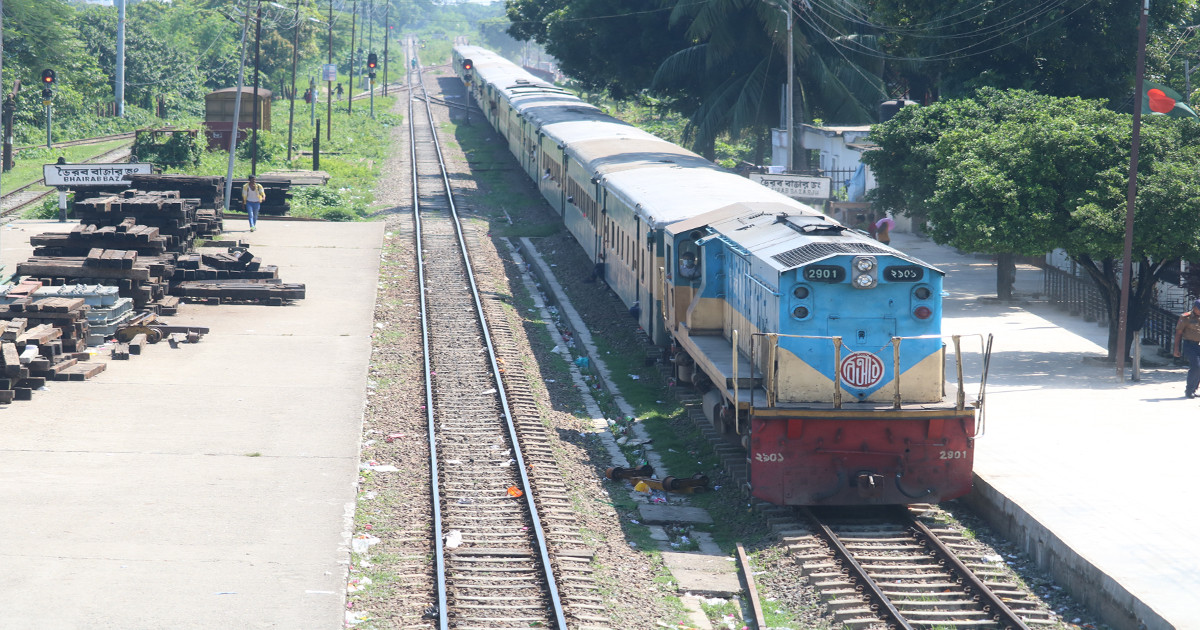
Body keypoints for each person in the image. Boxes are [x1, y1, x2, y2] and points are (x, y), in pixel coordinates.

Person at [1173, 298, 1200, 398]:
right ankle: (1189, 390)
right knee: (1196, 366)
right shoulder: (1185, 317)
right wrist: (1176, 349)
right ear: (1194, 307)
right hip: (1190, 345)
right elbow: (1178, 334)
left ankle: (1194, 389)